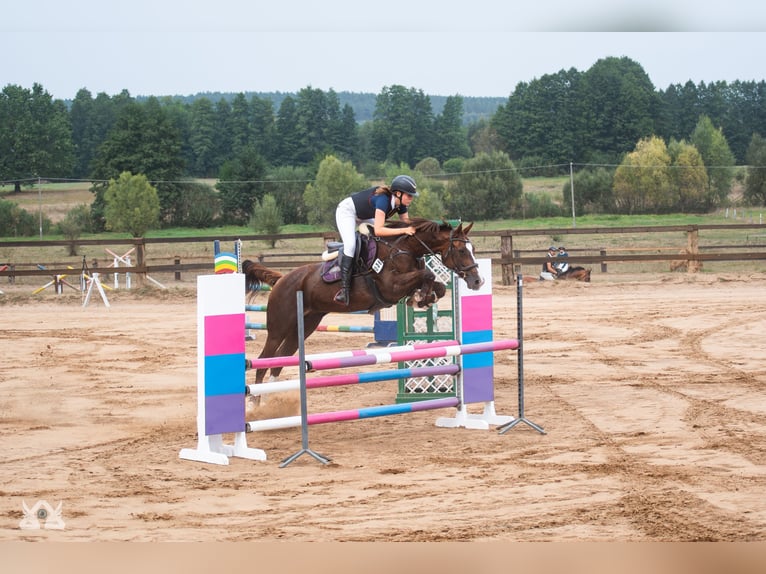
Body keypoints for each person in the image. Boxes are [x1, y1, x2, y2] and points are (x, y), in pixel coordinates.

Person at [333, 174, 419, 305]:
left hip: (364, 216)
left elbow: (407, 223)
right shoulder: (383, 200)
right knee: (350, 246)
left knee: (382, 239)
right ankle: (344, 291)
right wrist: (403, 230)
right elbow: (379, 229)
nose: (411, 198)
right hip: (347, 212)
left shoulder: (401, 204)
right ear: (398, 194)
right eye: (409, 195)